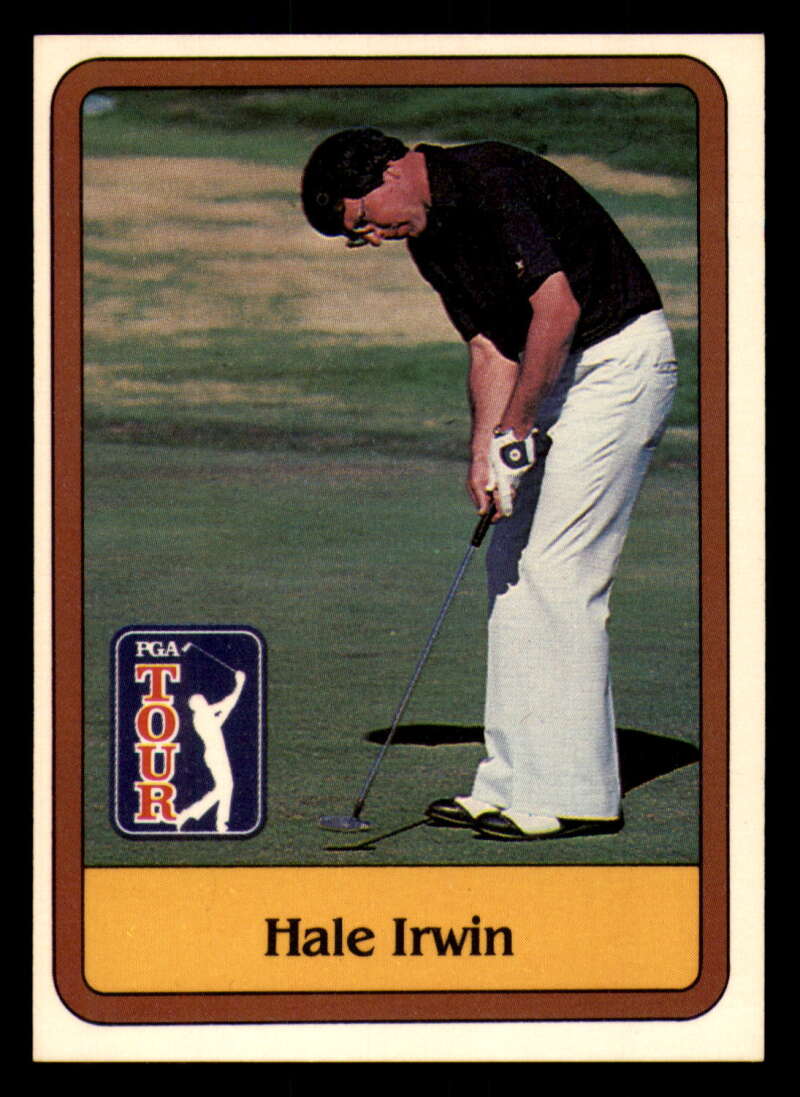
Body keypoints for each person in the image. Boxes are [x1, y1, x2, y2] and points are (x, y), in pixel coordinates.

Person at [301, 128, 678, 841]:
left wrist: (517, 425)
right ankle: (511, 781)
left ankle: (577, 795)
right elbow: (489, 346)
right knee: (508, 569)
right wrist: (486, 452)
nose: (373, 237)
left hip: (617, 364)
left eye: (364, 221)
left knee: (559, 572)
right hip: (550, 369)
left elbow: (558, 308)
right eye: (358, 237)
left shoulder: (489, 178)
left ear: (389, 172)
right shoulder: (427, 238)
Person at [175, 670, 246, 833]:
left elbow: (225, 711)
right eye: (201, 700)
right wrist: (240, 683)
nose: (204, 700)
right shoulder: (202, 715)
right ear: (196, 706)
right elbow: (226, 704)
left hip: (216, 754)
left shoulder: (206, 717)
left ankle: (213, 821)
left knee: (224, 787)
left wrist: (238, 688)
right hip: (215, 755)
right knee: (225, 787)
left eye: (203, 699)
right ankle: (212, 821)